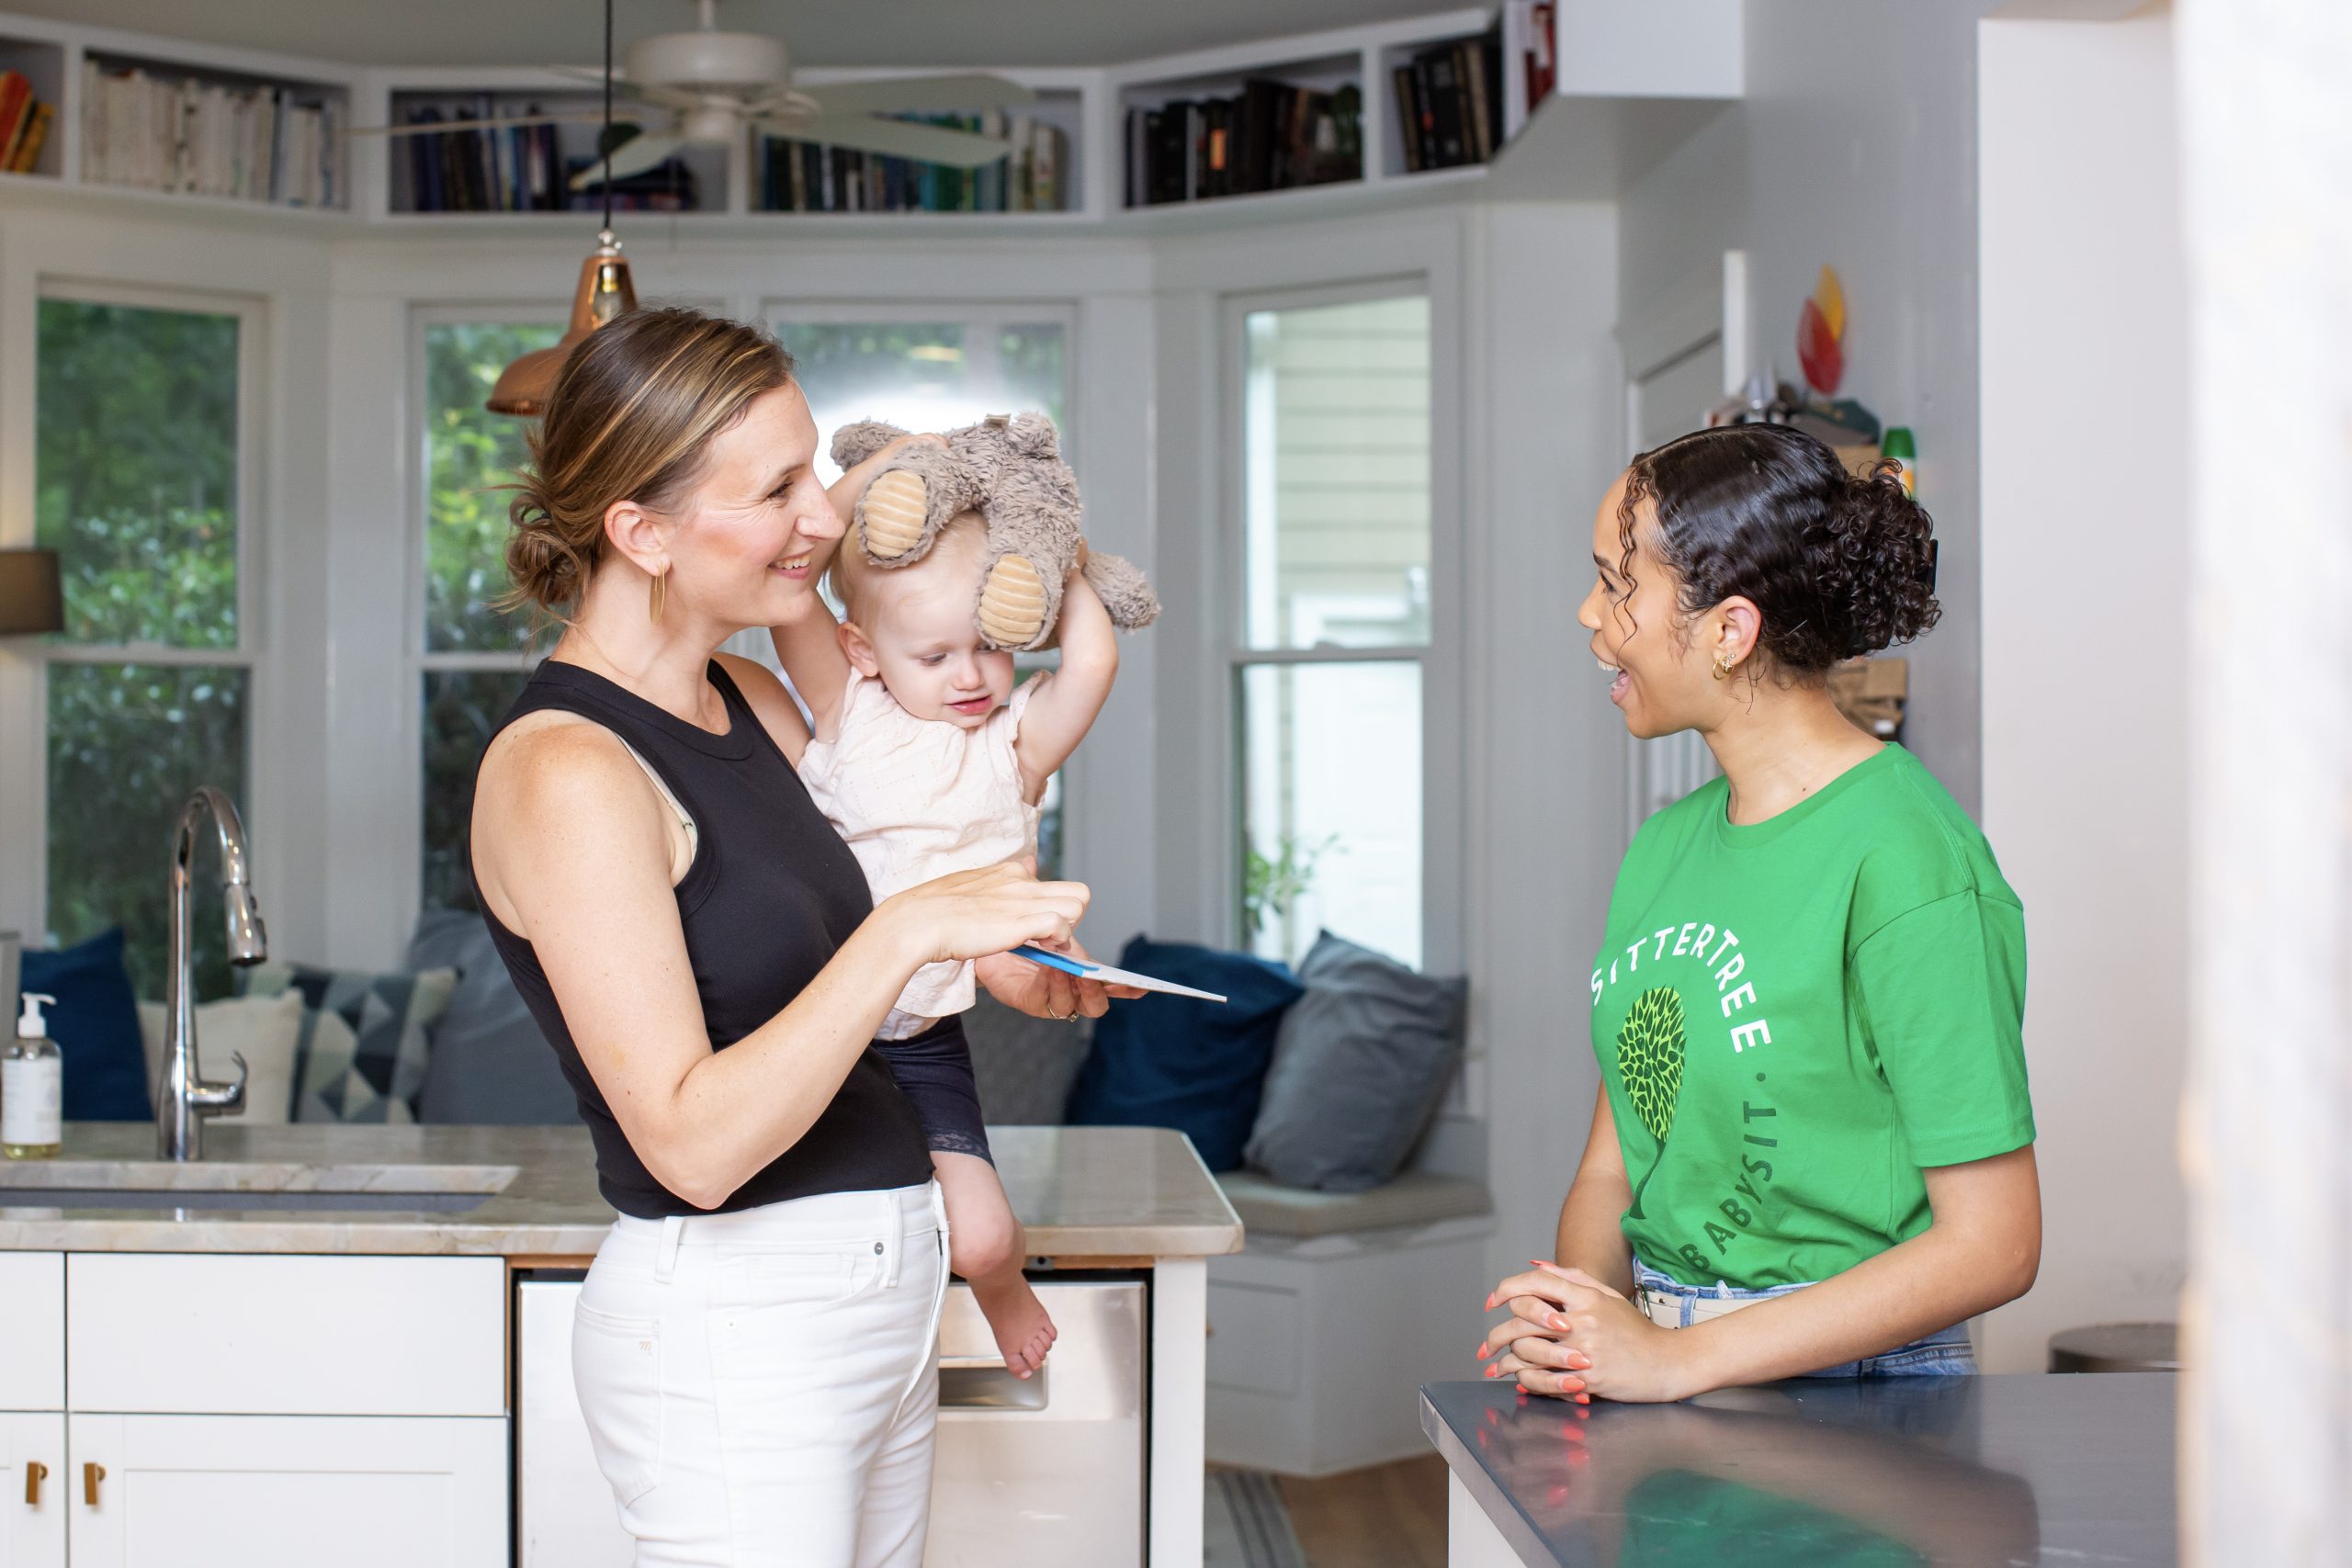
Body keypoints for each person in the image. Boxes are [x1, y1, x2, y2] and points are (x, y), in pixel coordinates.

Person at [468, 307, 1125, 1565]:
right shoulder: (567, 768)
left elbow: (835, 976)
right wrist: (917, 926)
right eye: (777, 488)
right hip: (738, 1320)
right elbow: (692, 1141)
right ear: (644, 532)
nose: (826, 516)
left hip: (875, 1295)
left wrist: (996, 960)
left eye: (815, 467)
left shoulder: (756, 698)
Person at [1480, 423, 2041, 1403]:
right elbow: (1616, 1168)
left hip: (1859, 1404)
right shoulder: (1663, 848)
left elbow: (1994, 1246)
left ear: (1728, 632)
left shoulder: (1909, 861)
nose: (1588, 613)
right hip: (1665, 1371)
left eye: (1618, 585)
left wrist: (1674, 1360)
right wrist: (1577, 1320)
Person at [775, 471, 1123, 1382]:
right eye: (932, 656)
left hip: (922, 1039)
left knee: (982, 1235)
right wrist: (880, 471)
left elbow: (1090, 666)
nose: (968, 676)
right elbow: (794, 584)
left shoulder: (1015, 745)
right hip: (810, 1027)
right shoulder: (848, 715)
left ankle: (1001, 1286)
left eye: (989, 647)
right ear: (861, 648)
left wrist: (1059, 562)